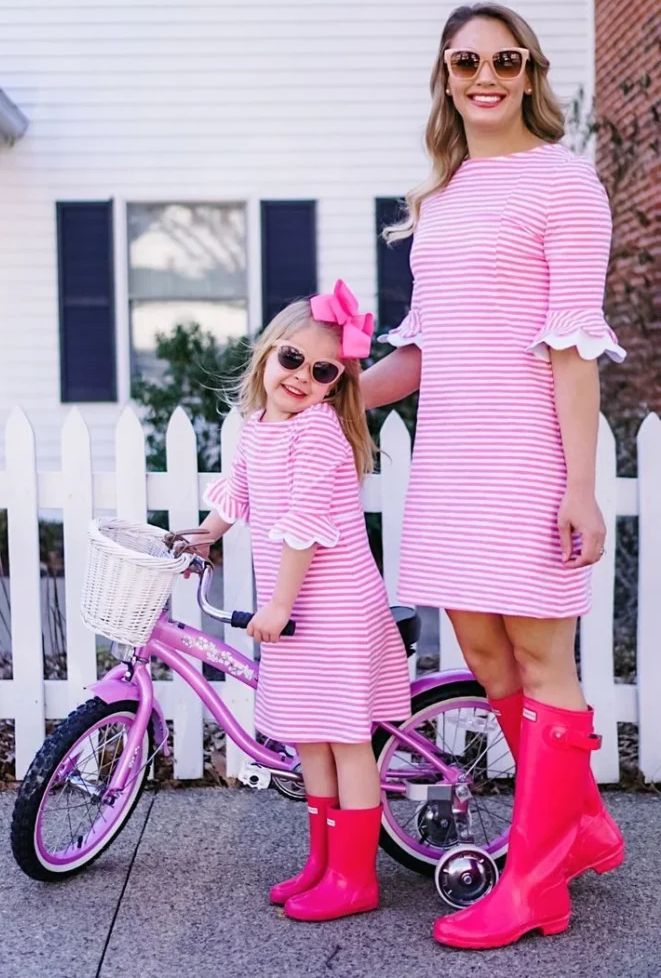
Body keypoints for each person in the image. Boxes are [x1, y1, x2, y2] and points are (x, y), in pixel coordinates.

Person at [360, 3, 626, 950]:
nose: (484, 75)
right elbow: (421, 352)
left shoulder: (564, 184)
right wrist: (328, 386)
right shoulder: (441, 196)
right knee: (480, 648)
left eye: (503, 59)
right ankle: (585, 826)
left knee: (541, 655)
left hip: (530, 454)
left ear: (528, 72)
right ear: (444, 74)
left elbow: (572, 350)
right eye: (465, 59)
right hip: (450, 456)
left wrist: (579, 485)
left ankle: (535, 879)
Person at [186, 280, 411, 923]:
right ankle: (322, 863)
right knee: (310, 738)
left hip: (332, 605)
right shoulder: (255, 425)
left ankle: (356, 877)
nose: (301, 377)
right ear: (267, 353)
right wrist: (205, 537)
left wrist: (279, 606)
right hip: (294, 605)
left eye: (321, 372)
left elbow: (303, 528)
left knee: (345, 740)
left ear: (334, 384)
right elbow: (240, 493)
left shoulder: (317, 436)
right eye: (292, 359)